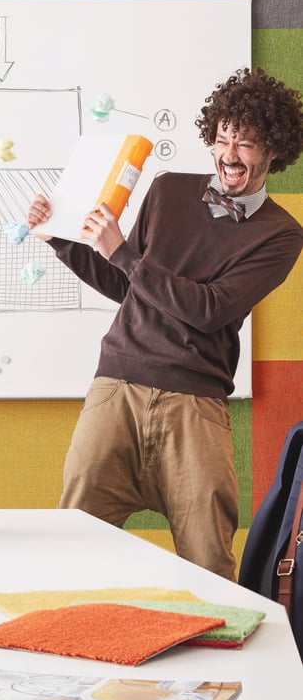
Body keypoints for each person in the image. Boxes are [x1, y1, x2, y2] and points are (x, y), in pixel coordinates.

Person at [27, 67, 303, 580]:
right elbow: (126, 286)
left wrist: (125, 254)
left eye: (245, 143)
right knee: (71, 549)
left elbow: (210, 309)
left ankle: (220, 661)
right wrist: (58, 237)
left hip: (195, 405)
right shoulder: (168, 189)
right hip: (116, 390)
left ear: (272, 151)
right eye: (222, 138)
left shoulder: (282, 235)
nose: (229, 154)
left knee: (210, 565)